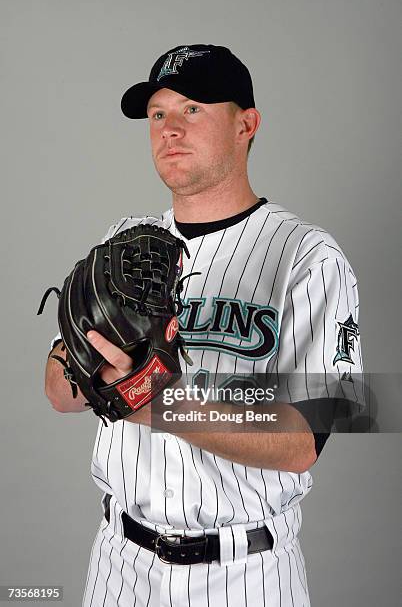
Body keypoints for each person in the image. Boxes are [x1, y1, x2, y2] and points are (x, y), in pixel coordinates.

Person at [44, 44, 364, 606]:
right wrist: (94, 378)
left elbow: (302, 440)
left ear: (247, 124)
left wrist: (154, 400)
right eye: (158, 114)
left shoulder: (308, 256)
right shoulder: (123, 240)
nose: (169, 129)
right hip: (121, 566)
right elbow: (59, 390)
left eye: (192, 108)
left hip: (248, 574)